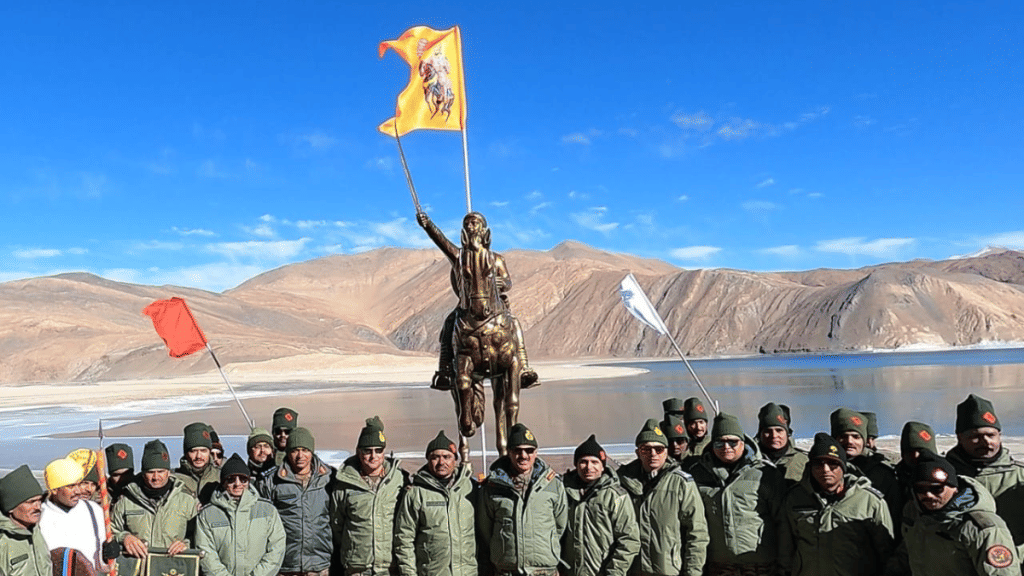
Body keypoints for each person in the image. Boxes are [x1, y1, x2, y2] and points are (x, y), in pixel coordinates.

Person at [416, 210, 538, 391]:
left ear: (483, 228)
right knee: (450, 323)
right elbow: (441, 241)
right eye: (466, 224)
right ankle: (445, 371)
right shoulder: (459, 257)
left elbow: (508, 281)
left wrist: (501, 283)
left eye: (473, 223)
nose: (470, 227)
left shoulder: (496, 258)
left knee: (514, 324)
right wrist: (428, 225)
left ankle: (524, 368)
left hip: (493, 306)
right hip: (468, 305)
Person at [888, 450, 1019, 575]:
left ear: (954, 488)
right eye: (920, 489)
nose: (928, 494)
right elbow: (907, 554)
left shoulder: (982, 528)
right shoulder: (918, 518)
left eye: (936, 488)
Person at [780, 433, 894, 576]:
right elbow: (786, 547)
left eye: (832, 463)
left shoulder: (869, 501)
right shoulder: (795, 498)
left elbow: (886, 552)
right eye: (819, 464)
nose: (825, 469)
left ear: (843, 466)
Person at [689, 413, 785, 576]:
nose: (726, 447)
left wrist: (784, 563)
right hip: (719, 565)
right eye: (720, 442)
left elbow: (783, 522)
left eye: (732, 442)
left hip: (760, 565)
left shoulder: (764, 473)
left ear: (742, 443)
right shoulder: (698, 473)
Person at [617, 420, 706, 576]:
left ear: (666, 452)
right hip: (632, 570)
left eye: (658, 449)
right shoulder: (622, 482)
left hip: (669, 569)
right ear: (638, 452)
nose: (653, 454)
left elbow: (697, 533)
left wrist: (693, 572)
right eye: (646, 449)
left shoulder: (681, 484)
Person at [477, 423, 567, 576]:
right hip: (507, 571)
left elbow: (560, 526)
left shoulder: (553, 485)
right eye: (517, 450)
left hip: (544, 571)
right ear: (509, 453)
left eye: (529, 451)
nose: (523, 456)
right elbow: (486, 530)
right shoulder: (492, 487)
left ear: (536, 453)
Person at [330, 416, 408, 576]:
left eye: (378, 451)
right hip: (357, 567)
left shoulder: (398, 479)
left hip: (389, 567)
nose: (373, 456)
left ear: (384, 452)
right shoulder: (344, 483)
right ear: (359, 452)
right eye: (367, 451)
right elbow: (337, 524)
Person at [945, 393, 1024, 549]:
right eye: (976, 436)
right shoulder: (945, 477)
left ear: (999, 436)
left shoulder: (1019, 477)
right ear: (960, 438)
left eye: (991, 435)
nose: (986, 442)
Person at [394, 431, 476, 576]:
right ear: (428, 460)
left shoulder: (469, 489)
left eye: (447, 457)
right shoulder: (416, 493)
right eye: (435, 457)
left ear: (455, 459)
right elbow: (404, 539)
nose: (441, 462)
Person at [257, 427, 332, 576]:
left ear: (312, 451)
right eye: (294, 450)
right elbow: (262, 525)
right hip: (285, 565)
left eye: (305, 450)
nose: (300, 456)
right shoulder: (271, 481)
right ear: (287, 452)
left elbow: (337, 519)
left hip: (319, 564)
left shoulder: (329, 479)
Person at [561, 434, 639, 576]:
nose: (588, 467)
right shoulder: (564, 492)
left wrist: (615, 571)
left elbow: (629, 539)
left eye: (594, 462)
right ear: (576, 465)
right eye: (583, 462)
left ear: (602, 466)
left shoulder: (616, 496)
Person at [196, 454, 285, 576]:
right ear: (223, 482)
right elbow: (206, 553)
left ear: (249, 481)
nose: (237, 484)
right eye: (231, 479)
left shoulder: (267, 510)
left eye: (243, 479)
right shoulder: (208, 514)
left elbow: (276, 549)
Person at [111, 440, 197, 558]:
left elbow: (200, 535)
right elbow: (109, 530)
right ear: (143, 473)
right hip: (138, 568)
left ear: (168, 472)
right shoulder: (127, 501)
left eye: (161, 471)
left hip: (172, 568)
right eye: (151, 472)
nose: (156, 477)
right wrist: (124, 537)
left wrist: (186, 544)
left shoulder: (187, 501)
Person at [38, 458, 112, 573]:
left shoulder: (93, 510)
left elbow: (102, 567)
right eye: (71, 486)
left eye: (79, 484)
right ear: (54, 490)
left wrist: (107, 557)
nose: (78, 491)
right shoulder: (39, 517)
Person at [830, 408, 900, 521]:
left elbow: (894, 515)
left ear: (864, 440)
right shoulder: (823, 468)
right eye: (843, 436)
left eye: (856, 437)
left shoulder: (882, 473)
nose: (849, 441)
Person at [0, 465, 52, 576]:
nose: (38, 507)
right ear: (11, 508)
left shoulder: (36, 532)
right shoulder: (3, 542)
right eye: (31, 502)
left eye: (40, 501)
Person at [755, 402, 808, 486]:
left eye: (779, 430)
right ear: (760, 434)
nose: (774, 436)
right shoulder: (750, 461)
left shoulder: (804, 461)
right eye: (768, 431)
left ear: (787, 434)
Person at [174, 422, 221, 504]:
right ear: (186, 453)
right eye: (193, 451)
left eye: (203, 451)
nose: (198, 456)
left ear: (209, 452)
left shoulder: (220, 476)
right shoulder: (174, 479)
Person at [681, 397, 710, 463]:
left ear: (706, 424)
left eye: (701, 422)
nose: (698, 427)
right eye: (693, 423)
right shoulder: (683, 446)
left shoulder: (713, 445)